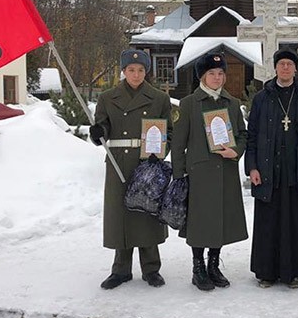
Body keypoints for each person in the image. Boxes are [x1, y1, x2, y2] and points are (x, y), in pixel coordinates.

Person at [90, 49, 172, 290]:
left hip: (147, 162)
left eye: (140, 70)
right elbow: (103, 125)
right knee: (121, 215)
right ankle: (121, 270)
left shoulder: (159, 98)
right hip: (119, 162)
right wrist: (98, 133)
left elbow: (168, 132)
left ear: (147, 72)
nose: (136, 74)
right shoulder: (107, 97)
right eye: (131, 70)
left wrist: (159, 156)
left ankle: (151, 268)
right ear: (123, 71)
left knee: (146, 214)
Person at [171, 51, 248, 291]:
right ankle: (198, 268)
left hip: (225, 171)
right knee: (200, 222)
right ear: (202, 77)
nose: (217, 78)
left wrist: (235, 150)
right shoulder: (188, 104)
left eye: (221, 73)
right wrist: (179, 174)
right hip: (199, 173)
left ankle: (214, 265)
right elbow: (178, 142)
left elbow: (243, 134)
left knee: (221, 220)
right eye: (212, 73)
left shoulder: (232, 103)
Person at [246, 48, 298, 289]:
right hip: (268, 169)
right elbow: (253, 135)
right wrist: (252, 166)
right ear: (275, 68)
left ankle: (292, 272)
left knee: (294, 222)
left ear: (295, 69)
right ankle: (266, 272)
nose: (285, 68)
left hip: (297, 169)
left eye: (289, 64)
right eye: (282, 64)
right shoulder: (262, 97)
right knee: (268, 222)